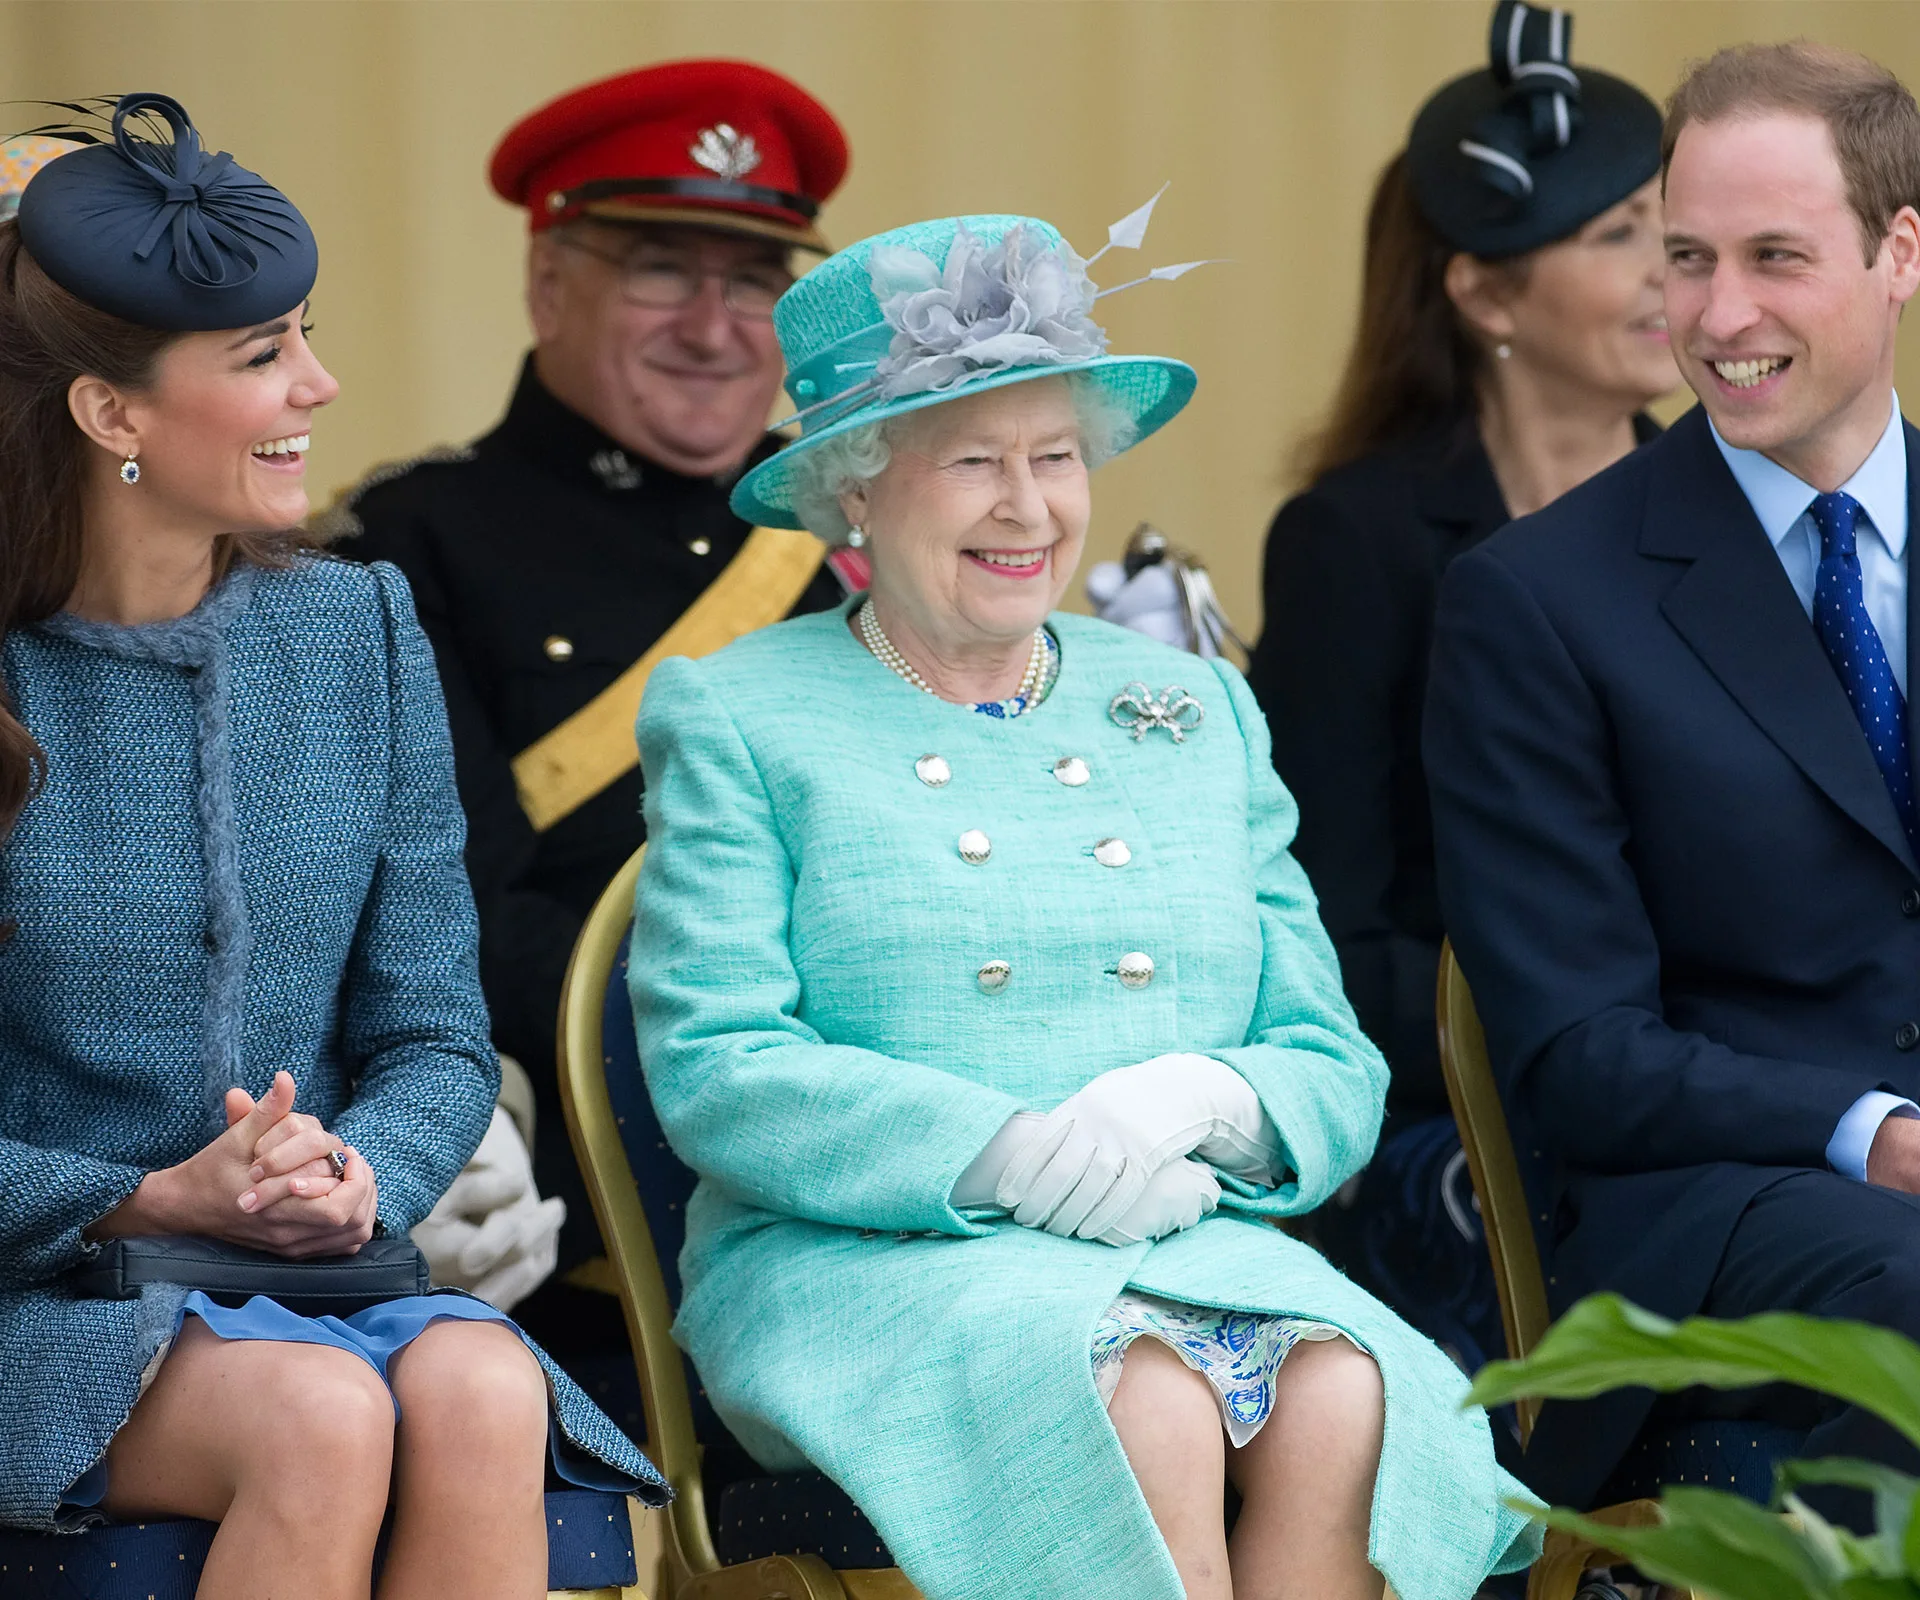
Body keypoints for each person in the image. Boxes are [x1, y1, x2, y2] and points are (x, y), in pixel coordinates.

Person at [627, 209, 1539, 1600]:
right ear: (855, 491)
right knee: (1152, 1402)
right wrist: (1003, 1153)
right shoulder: (743, 712)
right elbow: (718, 1067)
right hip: (868, 1258)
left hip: (1191, 1235)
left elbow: (1332, 1057)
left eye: (1055, 458)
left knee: (1350, 1391)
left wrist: (1202, 1101)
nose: (1029, 507)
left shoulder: (1191, 706)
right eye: (973, 462)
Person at [0, 93, 658, 1590]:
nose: (322, 381)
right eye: (261, 356)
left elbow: (434, 1031)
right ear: (112, 413)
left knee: (485, 1389)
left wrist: (353, 1173)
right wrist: (141, 1196)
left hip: (311, 1276)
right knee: (319, 1418)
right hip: (34, 1298)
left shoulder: (357, 631)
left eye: (306, 334)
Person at [1426, 40, 1920, 1522]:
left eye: (1777, 257)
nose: (1718, 314)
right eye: (1687, 256)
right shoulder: (1533, 600)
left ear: (1903, 251)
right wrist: (1877, 1134)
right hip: (1720, 1212)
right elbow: (1579, 1055)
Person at [332, 62, 853, 1333]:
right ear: (549, 279)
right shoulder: (404, 546)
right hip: (606, 1163)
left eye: (757, 283)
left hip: (888, 1115)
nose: (718, 327)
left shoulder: (863, 521)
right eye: (664, 269)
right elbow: (460, 914)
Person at [1245, 0, 1675, 1386]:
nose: (1677, 270)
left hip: (1734, 1077)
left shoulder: (1746, 515)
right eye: (1620, 236)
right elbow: (1322, 929)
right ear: (1485, 292)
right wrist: (1570, 1040)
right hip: (1474, 1104)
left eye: (1678, 225)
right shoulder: (1357, 540)